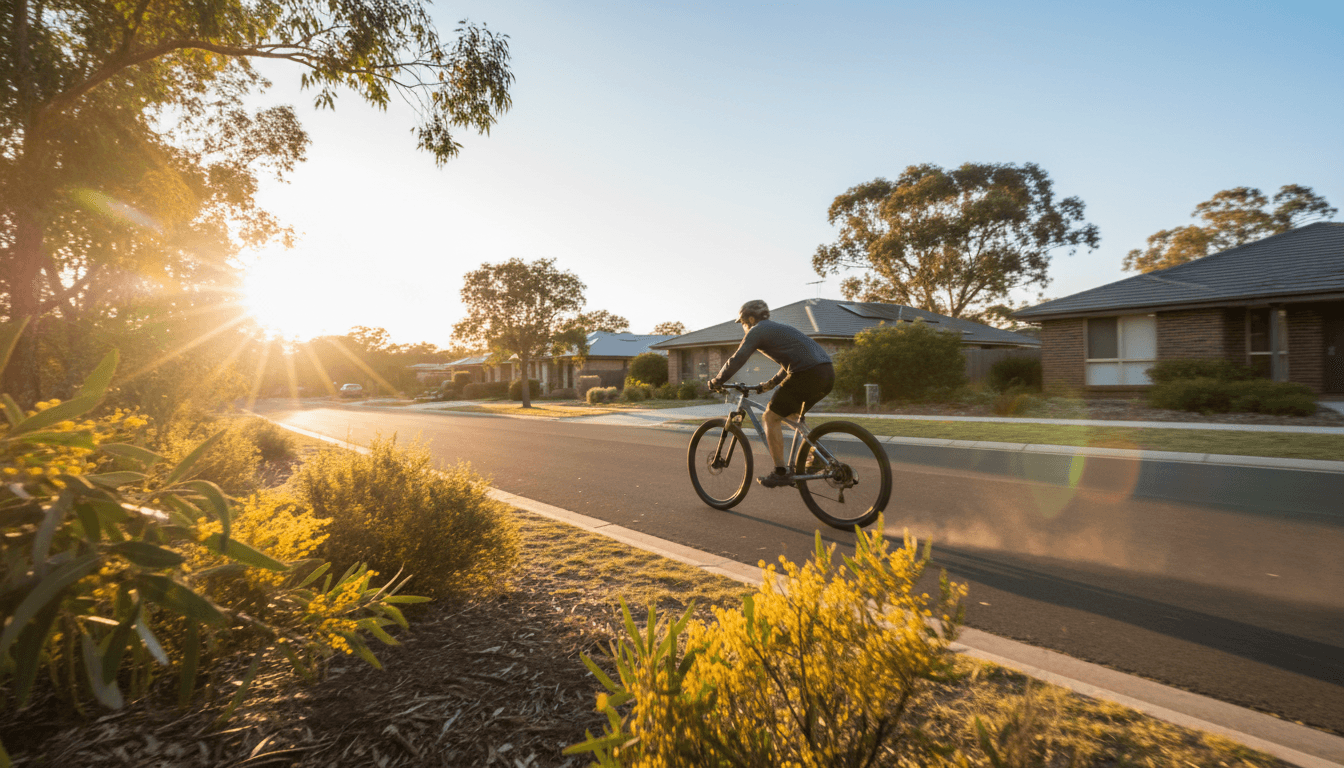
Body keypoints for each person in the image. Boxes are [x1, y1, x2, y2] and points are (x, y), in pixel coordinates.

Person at [708, 300, 834, 488]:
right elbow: (788, 364)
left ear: (750, 319)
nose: (743, 326)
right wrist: (769, 384)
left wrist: (717, 380)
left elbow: (738, 358)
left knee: (770, 416)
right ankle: (817, 455)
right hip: (826, 373)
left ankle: (780, 472)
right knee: (791, 417)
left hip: (806, 374)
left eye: (742, 322)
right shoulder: (779, 329)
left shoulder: (757, 330)